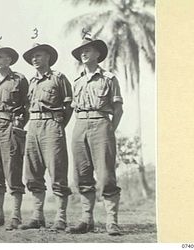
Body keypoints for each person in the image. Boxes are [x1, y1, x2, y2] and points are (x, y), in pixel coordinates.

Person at [67, 37, 124, 235]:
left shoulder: (109, 78)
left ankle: (112, 221)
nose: (84, 54)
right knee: (81, 174)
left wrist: (109, 130)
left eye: (88, 50)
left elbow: (118, 110)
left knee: (106, 175)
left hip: (101, 124)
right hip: (80, 125)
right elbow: (74, 108)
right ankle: (86, 219)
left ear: (98, 54)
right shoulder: (78, 81)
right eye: (81, 51)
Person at [19, 43, 73, 231]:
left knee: (57, 171)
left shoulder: (59, 78)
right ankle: (37, 216)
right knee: (33, 172)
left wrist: (58, 125)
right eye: (32, 57)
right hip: (33, 126)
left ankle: (61, 217)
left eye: (39, 55)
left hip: (52, 126)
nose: (35, 59)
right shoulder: (31, 82)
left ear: (48, 57)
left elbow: (68, 106)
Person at [0, 44, 29, 230]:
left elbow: (27, 106)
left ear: (9, 59)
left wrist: (18, 125)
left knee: (13, 170)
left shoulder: (19, 79)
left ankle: (16, 216)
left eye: (1, 57)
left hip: (9, 126)